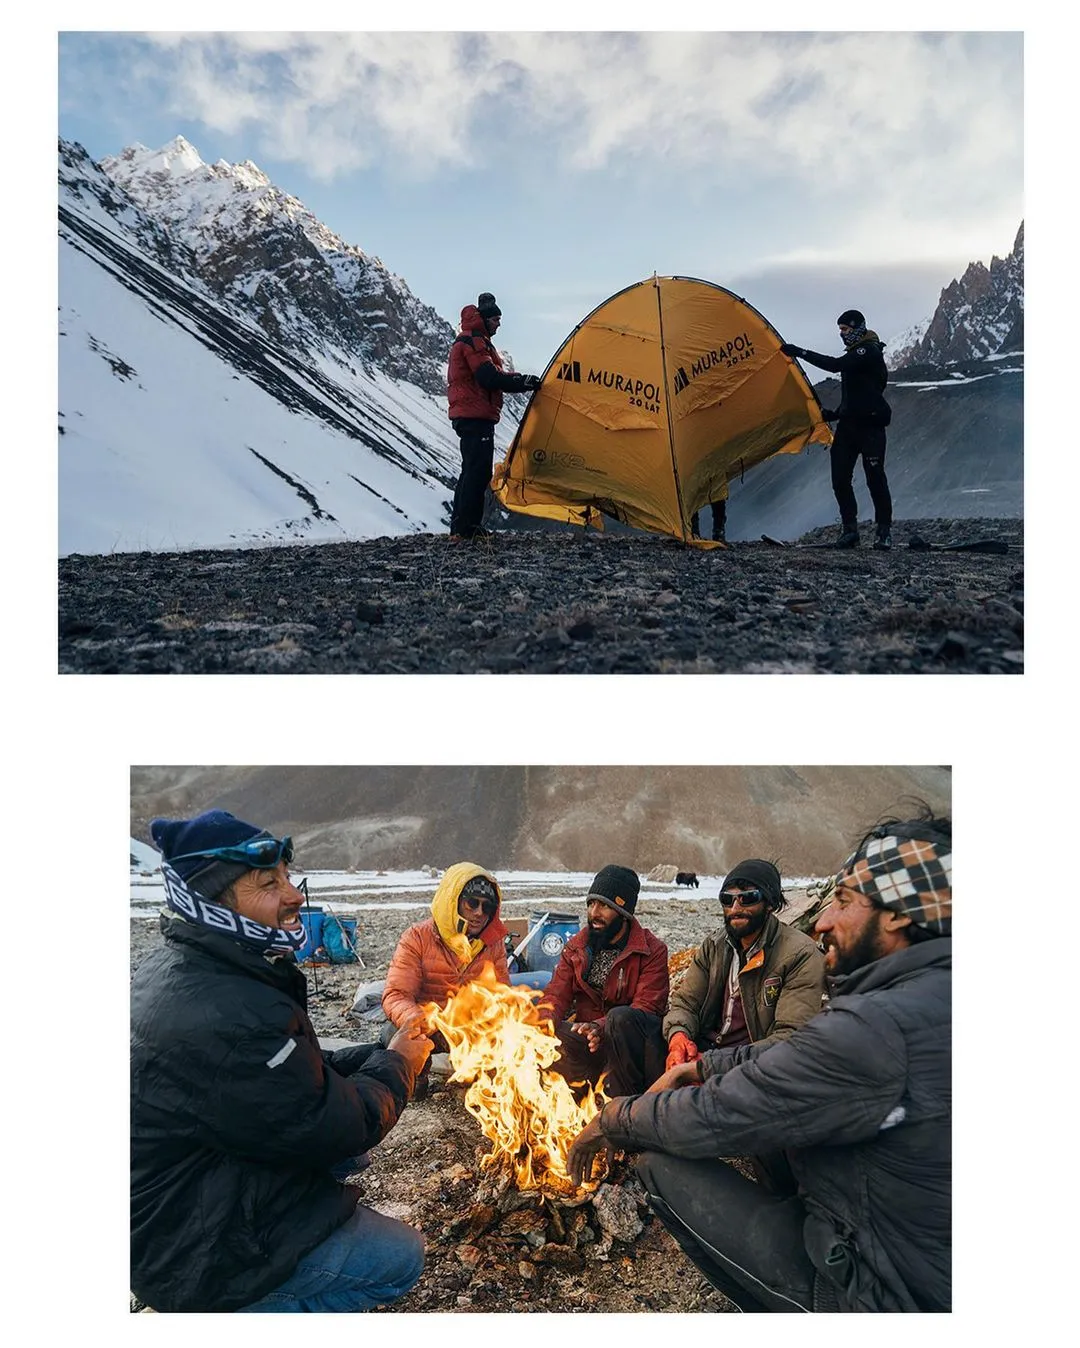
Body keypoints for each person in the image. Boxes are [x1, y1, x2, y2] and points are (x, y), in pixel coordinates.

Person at [568, 809, 952, 1313]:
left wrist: (614, 1118)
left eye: (843, 900)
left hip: (875, 1293)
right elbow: (685, 1003)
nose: (825, 920)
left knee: (661, 1161)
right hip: (906, 1249)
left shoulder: (863, 1013)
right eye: (728, 897)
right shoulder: (932, 997)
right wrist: (690, 1050)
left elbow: (756, 1084)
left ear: (900, 913)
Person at [131, 810, 433, 1314]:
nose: (293, 894)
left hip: (189, 1181)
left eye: (288, 877)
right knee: (402, 1257)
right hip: (186, 1246)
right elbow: (336, 1124)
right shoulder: (230, 1008)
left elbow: (283, 1080)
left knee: (347, 1158)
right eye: (268, 883)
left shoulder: (198, 964)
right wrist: (400, 1062)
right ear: (210, 902)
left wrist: (373, 1055)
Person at [663, 859, 825, 1074]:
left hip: (750, 1063)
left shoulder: (800, 954)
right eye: (727, 899)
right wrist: (679, 1038)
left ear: (770, 904)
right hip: (702, 1049)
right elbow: (685, 1004)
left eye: (748, 898)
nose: (735, 908)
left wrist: (709, 1065)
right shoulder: (714, 946)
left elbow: (789, 1038)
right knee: (630, 1024)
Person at [537, 864, 669, 1098]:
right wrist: (541, 1025)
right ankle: (575, 1095)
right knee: (548, 1027)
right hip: (588, 1042)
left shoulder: (651, 951)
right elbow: (556, 994)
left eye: (605, 906)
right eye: (591, 904)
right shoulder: (577, 947)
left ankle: (625, 1104)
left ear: (624, 912)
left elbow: (646, 1007)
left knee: (622, 1018)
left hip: (630, 1049)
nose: (594, 913)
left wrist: (600, 1026)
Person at [381, 863, 510, 1093]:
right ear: (453, 900)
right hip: (430, 1024)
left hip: (470, 1028)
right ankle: (416, 1075)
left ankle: (475, 1074)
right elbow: (396, 994)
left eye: (487, 907)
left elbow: (503, 995)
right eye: (472, 903)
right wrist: (416, 1018)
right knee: (393, 1033)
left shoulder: (493, 943)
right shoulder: (417, 937)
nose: (479, 913)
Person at [780, 309, 893, 550]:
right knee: (840, 479)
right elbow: (857, 392)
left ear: (858, 328)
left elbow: (835, 365)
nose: (842, 335)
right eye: (840, 330)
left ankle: (884, 532)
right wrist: (836, 413)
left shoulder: (868, 350)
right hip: (848, 426)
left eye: (845, 330)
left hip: (871, 427)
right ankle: (850, 530)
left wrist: (800, 352)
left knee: (875, 478)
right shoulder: (856, 353)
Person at [446, 291, 542, 540]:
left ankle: (460, 529)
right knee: (477, 472)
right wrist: (523, 382)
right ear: (486, 319)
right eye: (496, 319)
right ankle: (468, 529)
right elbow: (488, 377)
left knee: (470, 470)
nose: (499, 323)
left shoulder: (472, 340)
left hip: (470, 415)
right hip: (475, 416)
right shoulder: (474, 342)